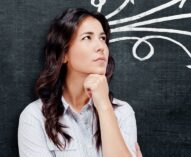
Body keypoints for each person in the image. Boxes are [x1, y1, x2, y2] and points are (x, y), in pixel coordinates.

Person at [18, 8, 142, 157]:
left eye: (102, 38)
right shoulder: (35, 117)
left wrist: (103, 105)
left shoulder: (122, 112)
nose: (101, 47)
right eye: (87, 37)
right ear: (64, 54)